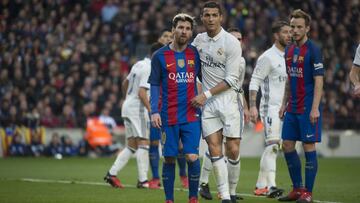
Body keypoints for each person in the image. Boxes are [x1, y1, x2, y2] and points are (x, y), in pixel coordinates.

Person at [191, 2, 245, 202]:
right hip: (209, 105)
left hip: (229, 101)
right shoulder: (199, 40)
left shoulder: (231, 42)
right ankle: (224, 196)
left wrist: (205, 94)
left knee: (232, 149)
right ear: (202, 18)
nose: (211, 19)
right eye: (207, 15)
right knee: (214, 147)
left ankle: (232, 191)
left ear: (221, 17)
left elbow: (232, 79)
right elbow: (191, 64)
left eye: (214, 15)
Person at [149, 13, 201, 203]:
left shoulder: (195, 53)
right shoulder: (159, 56)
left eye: (188, 28)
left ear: (191, 32)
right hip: (168, 115)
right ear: (173, 30)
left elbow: (203, 79)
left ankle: (193, 198)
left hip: (191, 115)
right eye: (180, 27)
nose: (184, 31)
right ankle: (169, 199)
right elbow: (154, 84)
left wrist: (204, 96)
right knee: (169, 158)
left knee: (192, 156)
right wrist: (154, 110)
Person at [278, 9, 324, 203]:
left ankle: (308, 193)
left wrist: (315, 108)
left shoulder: (313, 50)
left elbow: (319, 80)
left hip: (307, 108)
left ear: (307, 28)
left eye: (298, 27)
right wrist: (283, 103)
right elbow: (289, 79)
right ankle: (297, 188)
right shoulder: (289, 49)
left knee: (308, 146)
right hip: (292, 107)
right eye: (292, 27)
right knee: (287, 145)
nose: (294, 31)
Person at [104, 42, 162, 189]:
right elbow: (142, 92)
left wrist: (128, 99)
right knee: (144, 143)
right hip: (138, 109)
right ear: (156, 54)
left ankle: (112, 173)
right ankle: (143, 181)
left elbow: (125, 83)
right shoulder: (150, 68)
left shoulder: (138, 64)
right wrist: (151, 110)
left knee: (132, 146)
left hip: (128, 106)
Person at [249, 21, 291, 198]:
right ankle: (272, 186)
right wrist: (252, 106)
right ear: (276, 35)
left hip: (287, 109)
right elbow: (255, 80)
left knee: (275, 147)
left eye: (291, 32)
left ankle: (260, 185)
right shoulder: (268, 57)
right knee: (273, 146)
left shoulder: (292, 56)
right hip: (270, 109)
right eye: (286, 32)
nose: (290, 35)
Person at [149, 29, 190, 190]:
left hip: (173, 109)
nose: (167, 38)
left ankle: (183, 175)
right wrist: (152, 109)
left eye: (169, 36)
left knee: (179, 145)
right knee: (154, 143)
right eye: (164, 36)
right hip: (156, 109)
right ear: (159, 39)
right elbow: (151, 86)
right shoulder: (156, 59)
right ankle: (154, 178)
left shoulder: (181, 58)